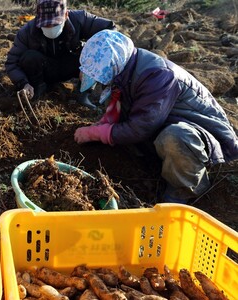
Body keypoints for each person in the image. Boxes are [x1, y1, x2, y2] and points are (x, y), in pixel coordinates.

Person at [74, 29, 238, 204]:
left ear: (113, 64)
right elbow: (123, 108)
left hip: (201, 134)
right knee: (128, 139)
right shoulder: (126, 69)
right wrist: (103, 124)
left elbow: (140, 127)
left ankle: (185, 189)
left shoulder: (158, 75)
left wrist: (97, 133)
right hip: (162, 122)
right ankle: (154, 166)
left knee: (175, 138)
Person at [5, 0, 116, 109]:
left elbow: (111, 31)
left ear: (66, 14)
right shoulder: (27, 31)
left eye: (55, 24)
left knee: (96, 55)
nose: (50, 28)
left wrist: (90, 57)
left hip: (72, 64)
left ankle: (83, 94)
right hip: (45, 69)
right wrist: (23, 83)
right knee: (29, 57)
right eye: (46, 25)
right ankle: (38, 88)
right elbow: (12, 63)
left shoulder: (80, 19)